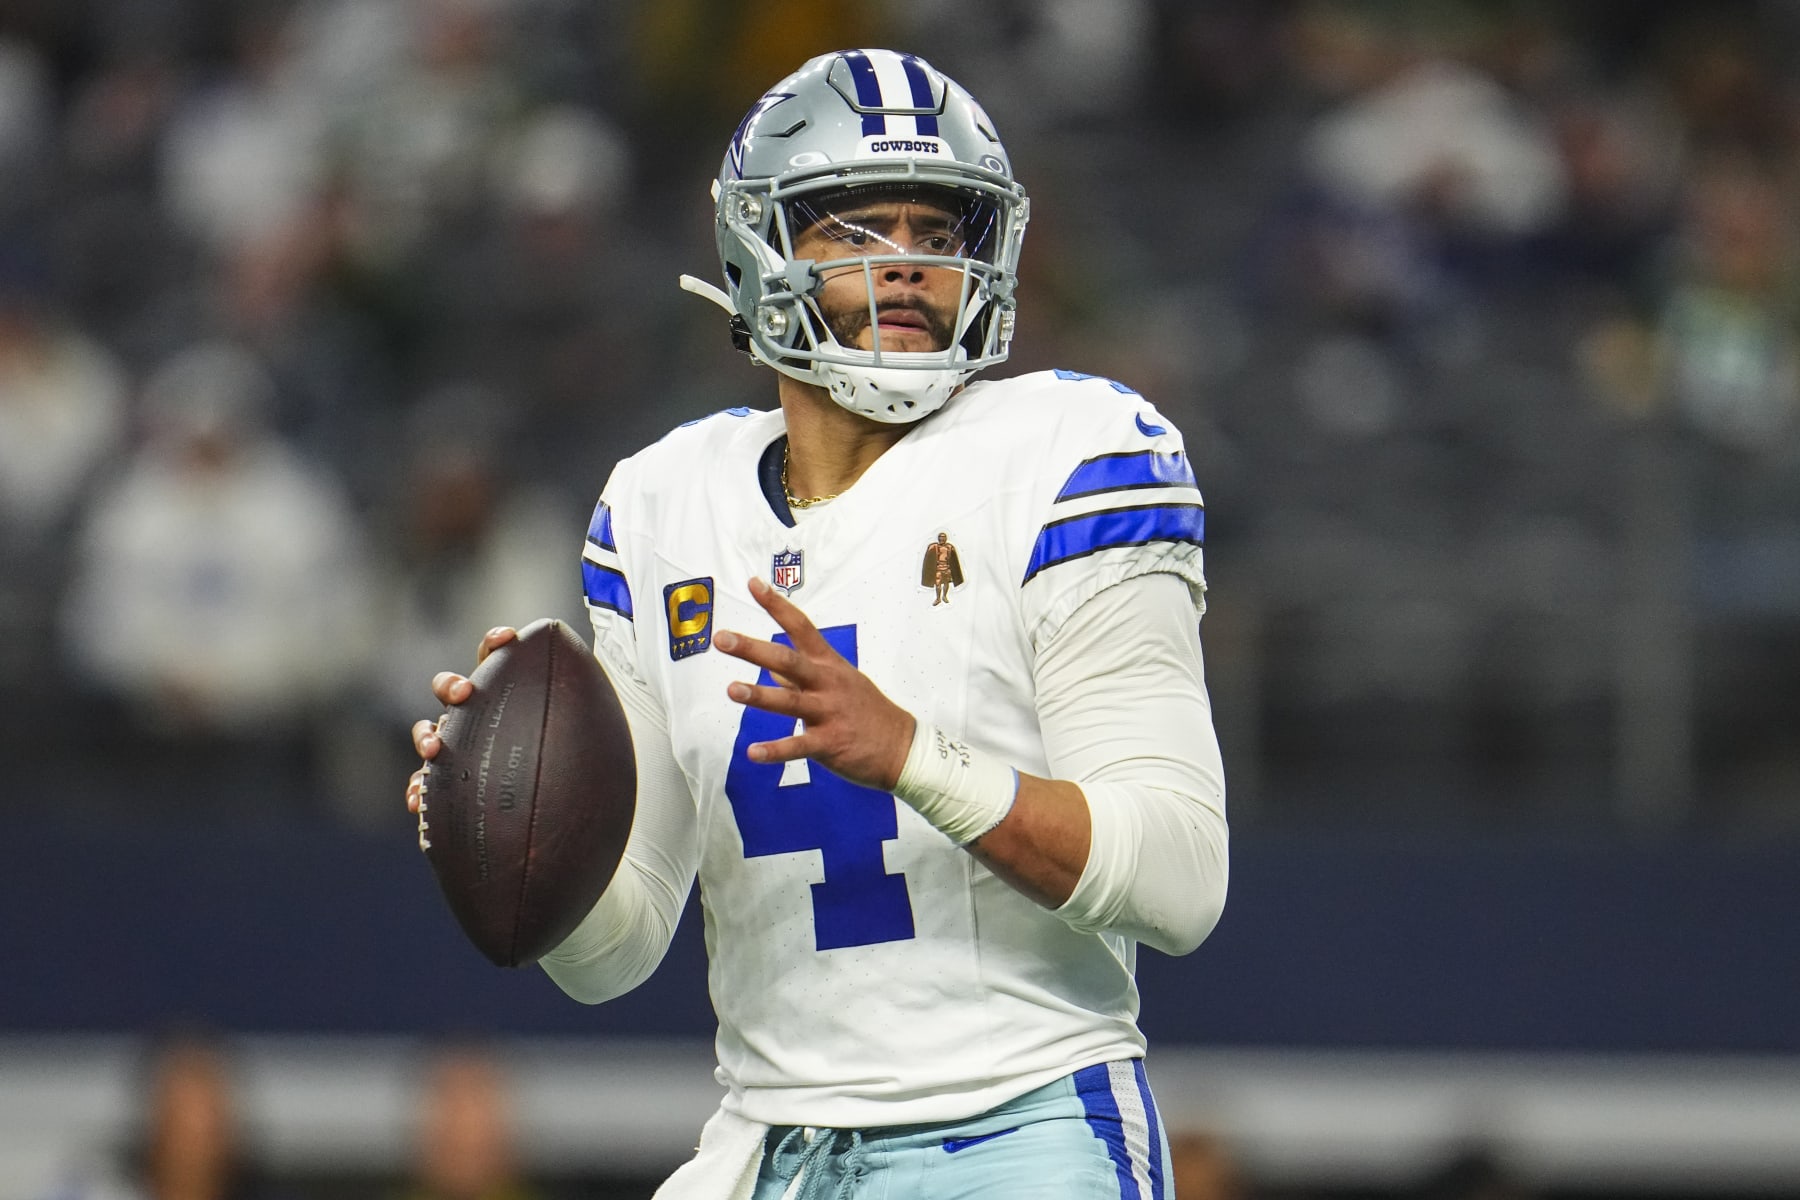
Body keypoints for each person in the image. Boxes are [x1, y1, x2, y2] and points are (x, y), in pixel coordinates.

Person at [408, 49, 1228, 1199]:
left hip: (1017, 1129)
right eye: (856, 229)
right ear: (762, 248)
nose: (906, 268)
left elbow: (1182, 880)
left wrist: (910, 757)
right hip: (768, 1147)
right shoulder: (661, 504)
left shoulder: (1070, 455)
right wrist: (508, 833)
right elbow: (618, 949)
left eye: (937, 232)